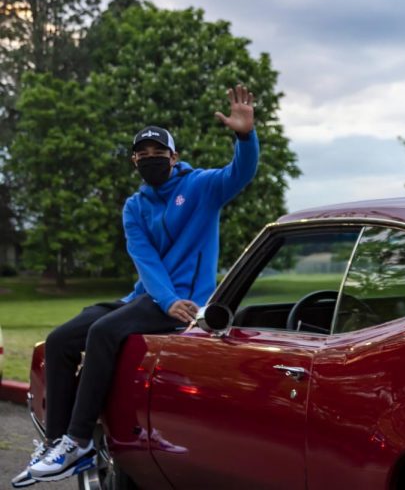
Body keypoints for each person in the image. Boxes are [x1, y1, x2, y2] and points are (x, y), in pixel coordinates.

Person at [12, 84, 260, 487]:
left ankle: (78, 439)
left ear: (174, 157)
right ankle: (58, 442)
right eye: (142, 156)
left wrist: (245, 136)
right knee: (60, 339)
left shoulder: (202, 188)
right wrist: (162, 300)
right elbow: (144, 260)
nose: (150, 161)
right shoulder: (135, 206)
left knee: (103, 332)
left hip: (187, 300)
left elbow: (242, 172)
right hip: (150, 297)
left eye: (157, 154)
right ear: (134, 161)